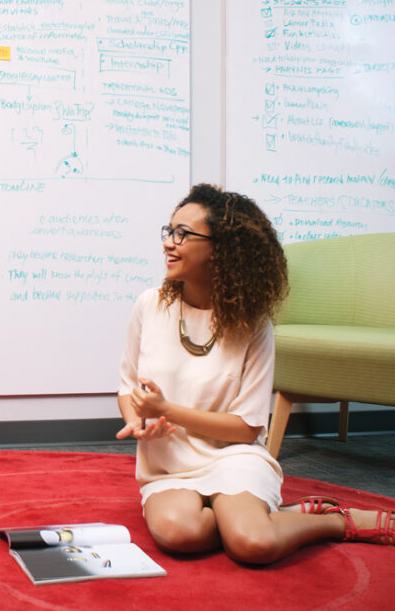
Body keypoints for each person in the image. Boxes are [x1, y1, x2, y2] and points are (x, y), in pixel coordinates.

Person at [116, 183, 393, 563]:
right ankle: (268, 515)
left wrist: (166, 410)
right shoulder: (149, 305)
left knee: (253, 544)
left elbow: (246, 429)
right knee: (181, 534)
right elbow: (127, 386)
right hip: (167, 463)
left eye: (184, 234)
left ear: (221, 251)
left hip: (233, 457)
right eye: (169, 231)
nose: (169, 242)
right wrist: (138, 423)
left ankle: (335, 521)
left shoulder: (254, 326)